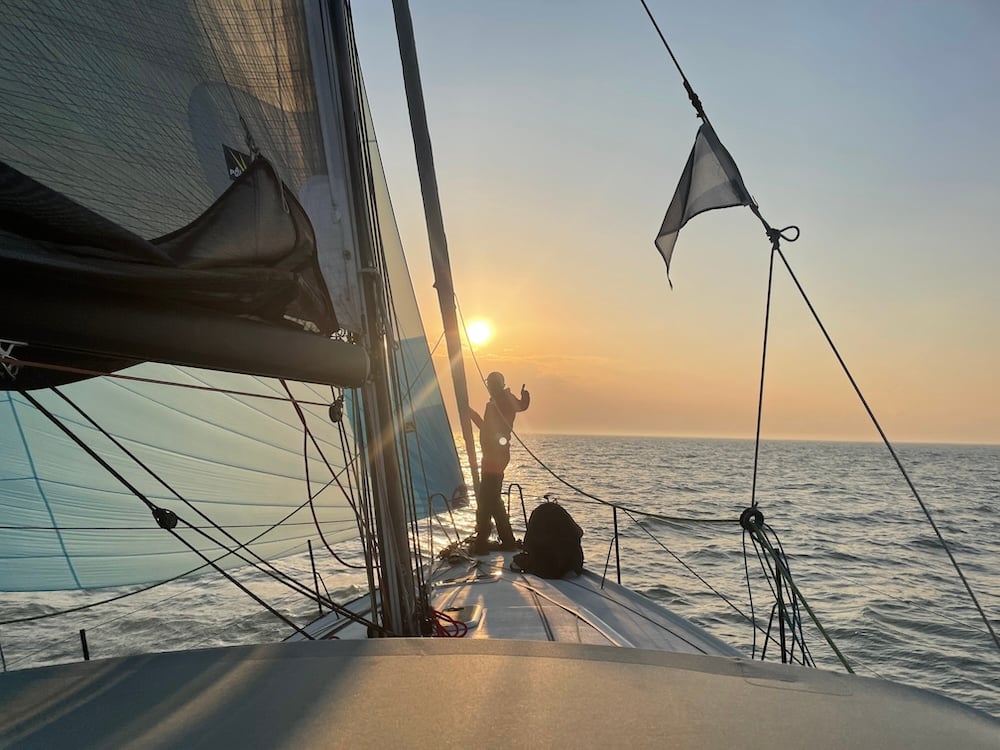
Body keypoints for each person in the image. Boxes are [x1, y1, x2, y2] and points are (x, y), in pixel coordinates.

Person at [467, 371, 530, 553]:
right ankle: (503, 540)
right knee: (491, 498)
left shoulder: (505, 399)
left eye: (493, 384)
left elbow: (520, 406)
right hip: (491, 456)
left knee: (488, 498)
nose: (490, 387)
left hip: (497, 456)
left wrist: (525, 396)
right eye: (490, 384)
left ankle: (484, 540)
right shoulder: (493, 403)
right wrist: (471, 414)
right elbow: (486, 427)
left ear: (499, 385)